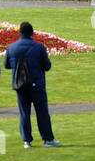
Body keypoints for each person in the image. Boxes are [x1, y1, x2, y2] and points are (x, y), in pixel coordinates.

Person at [4, 21, 60, 149]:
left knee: (24, 113)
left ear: (20, 33)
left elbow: (7, 65)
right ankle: (47, 139)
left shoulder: (11, 48)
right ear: (32, 33)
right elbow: (47, 66)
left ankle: (27, 141)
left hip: (20, 85)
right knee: (42, 113)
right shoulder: (39, 47)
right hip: (37, 85)